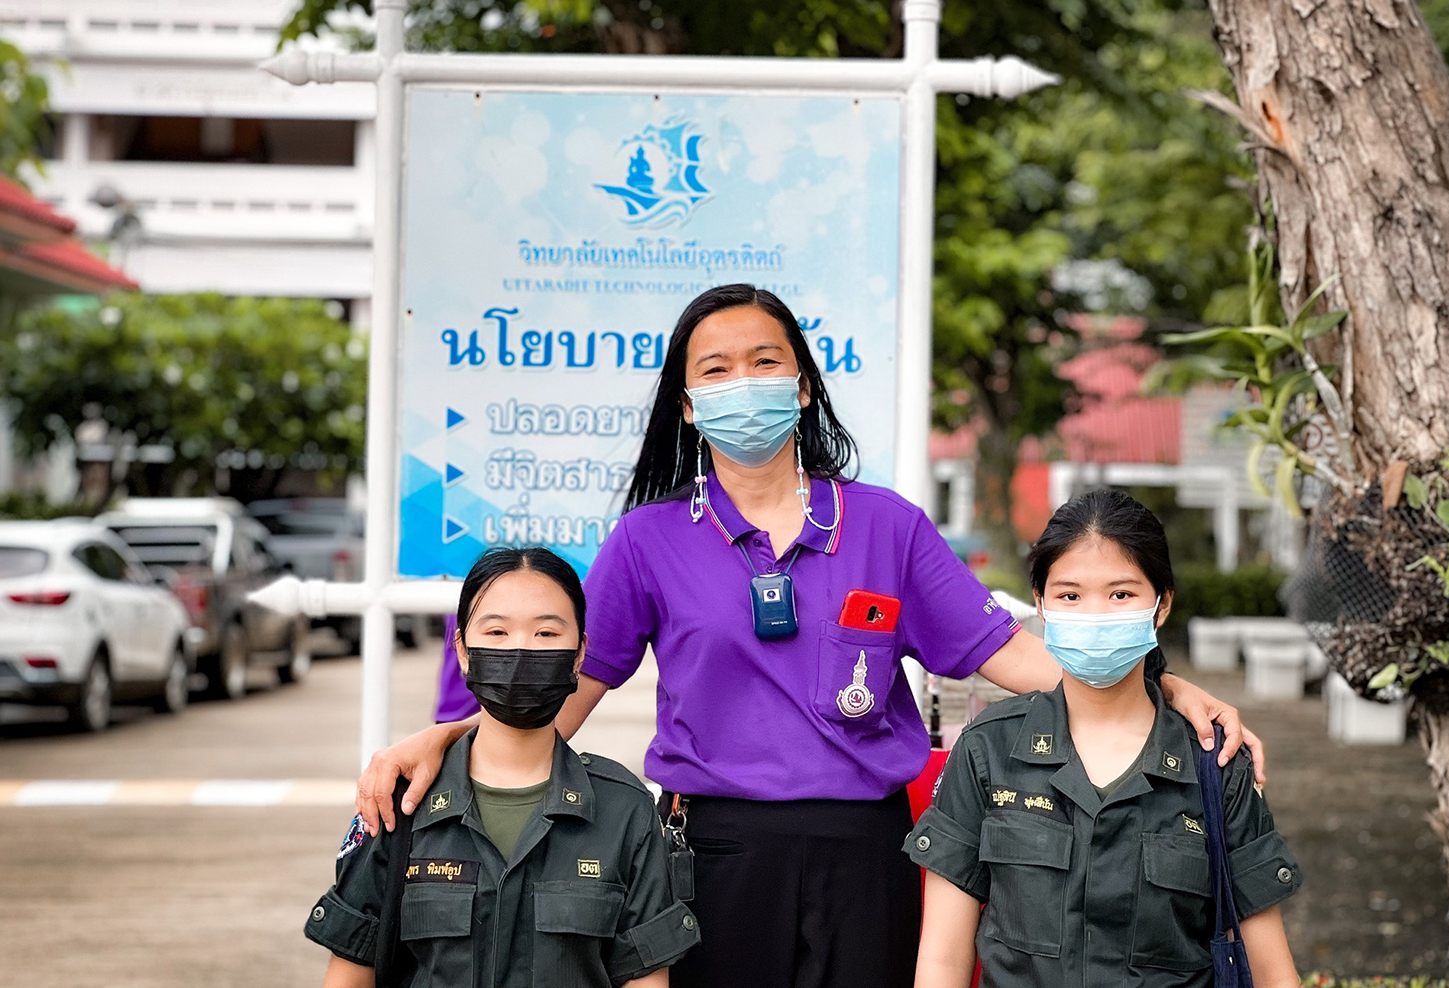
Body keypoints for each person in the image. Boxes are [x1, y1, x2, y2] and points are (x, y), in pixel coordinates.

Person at [351, 285, 1264, 988]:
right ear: (684, 401)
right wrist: (441, 741)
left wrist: (1162, 684)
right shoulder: (647, 540)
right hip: (713, 859)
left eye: (765, 361)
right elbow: (557, 705)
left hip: (868, 853)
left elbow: (1022, 657)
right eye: (714, 369)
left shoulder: (885, 526)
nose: (741, 384)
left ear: (802, 381)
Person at [908, 490, 1301, 987]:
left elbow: (1271, 971)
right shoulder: (987, 750)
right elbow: (942, 961)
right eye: (1070, 595)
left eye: (1121, 594)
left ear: (1161, 606)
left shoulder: (1214, 760)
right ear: (1041, 605)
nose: (1094, 615)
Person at [306, 547, 699, 988]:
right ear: (462, 651)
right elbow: (349, 974)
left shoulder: (624, 810)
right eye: (496, 632)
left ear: (579, 653)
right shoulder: (400, 802)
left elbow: (646, 980)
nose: (520, 651)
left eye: (546, 634)